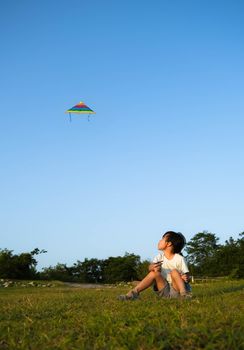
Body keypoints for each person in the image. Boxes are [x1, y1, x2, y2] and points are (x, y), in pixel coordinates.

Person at [119, 231, 192, 300]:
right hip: (164, 290)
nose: (159, 241)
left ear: (169, 244)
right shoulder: (159, 257)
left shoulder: (179, 259)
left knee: (174, 272)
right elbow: (150, 268)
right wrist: (153, 267)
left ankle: (184, 294)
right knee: (154, 273)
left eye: (162, 239)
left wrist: (185, 278)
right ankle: (133, 294)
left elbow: (187, 277)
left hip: (176, 289)